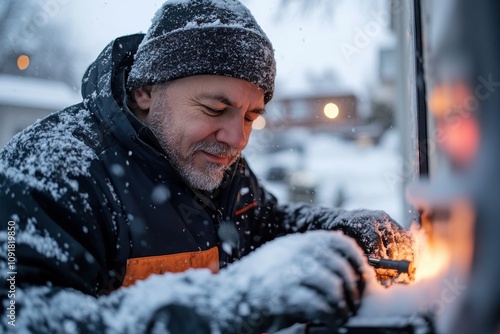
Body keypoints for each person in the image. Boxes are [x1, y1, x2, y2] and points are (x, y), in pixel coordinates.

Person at [0, 0, 414, 332]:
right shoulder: (46, 171)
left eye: (251, 117)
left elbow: (266, 227)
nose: (238, 139)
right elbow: (19, 316)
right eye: (216, 108)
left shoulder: (215, 165)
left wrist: (342, 233)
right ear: (146, 91)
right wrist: (223, 307)